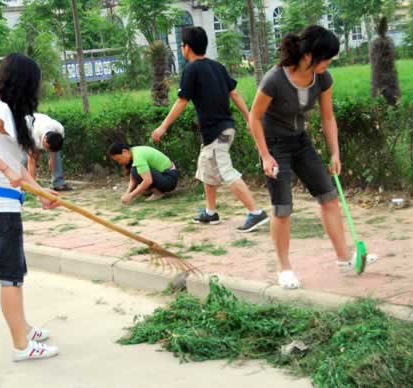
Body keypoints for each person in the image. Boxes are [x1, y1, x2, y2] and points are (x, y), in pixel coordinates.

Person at [248, 26, 378, 289]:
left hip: (301, 142)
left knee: (329, 198)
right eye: (326, 58)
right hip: (275, 146)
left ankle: (344, 258)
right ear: (309, 55)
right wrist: (265, 155)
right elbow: (254, 118)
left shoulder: (323, 79)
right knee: (282, 209)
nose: (328, 63)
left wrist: (335, 152)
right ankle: (285, 269)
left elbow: (328, 117)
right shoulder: (274, 80)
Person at [0, 54, 60, 362]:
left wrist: (41, 192)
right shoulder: (0, 108)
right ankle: (22, 346)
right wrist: (6, 172)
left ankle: (24, 328)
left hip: (5, 204)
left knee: (17, 272)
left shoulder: (10, 114)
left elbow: (18, 173)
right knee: (11, 276)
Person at [152, 26, 269, 233]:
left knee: (225, 170)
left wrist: (162, 127)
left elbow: (181, 101)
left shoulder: (191, 69)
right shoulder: (218, 67)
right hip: (223, 130)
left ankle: (255, 212)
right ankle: (210, 212)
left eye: (182, 45)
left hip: (217, 133)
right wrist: (248, 118)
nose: (181, 48)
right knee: (206, 167)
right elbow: (235, 94)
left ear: (186, 48)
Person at [108, 143, 179, 204]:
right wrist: (128, 193)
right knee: (135, 172)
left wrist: (131, 196)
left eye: (119, 159)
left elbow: (148, 181)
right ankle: (154, 191)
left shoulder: (138, 157)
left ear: (124, 151)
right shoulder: (134, 151)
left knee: (135, 171)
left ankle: (158, 193)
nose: (119, 163)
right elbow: (133, 178)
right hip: (166, 176)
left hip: (169, 178)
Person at [26, 113, 72, 191]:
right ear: (45, 139)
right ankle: (27, 183)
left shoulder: (59, 129)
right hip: (27, 126)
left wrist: (52, 158)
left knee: (56, 155)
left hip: (44, 122)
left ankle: (58, 183)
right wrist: (33, 188)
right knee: (27, 158)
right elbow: (31, 161)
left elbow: (55, 149)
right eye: (47, 147)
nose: (47, 150)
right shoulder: (34, 134)